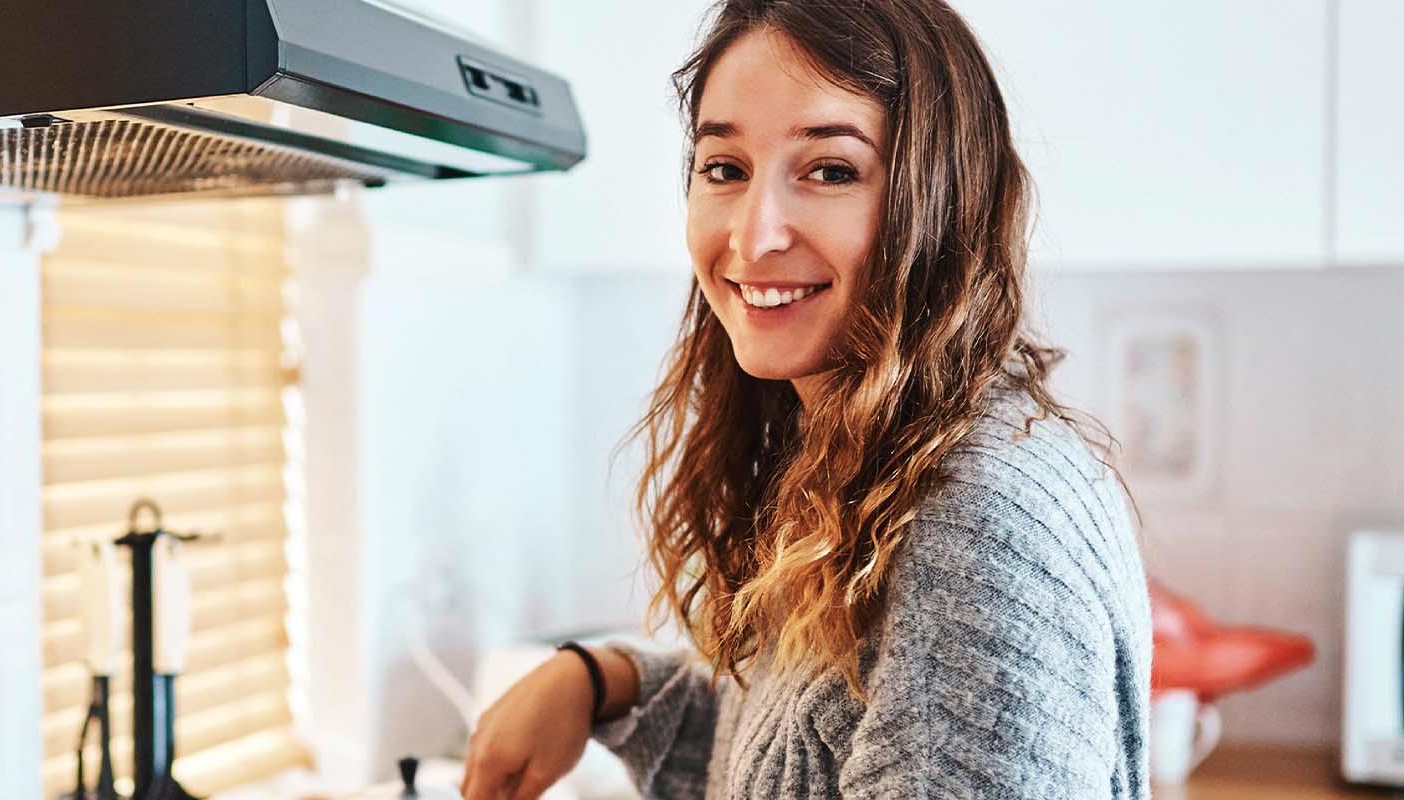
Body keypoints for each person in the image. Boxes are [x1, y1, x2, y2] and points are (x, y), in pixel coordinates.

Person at [461, 1, 1150, 797]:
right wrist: (601, 680)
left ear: (944, 196)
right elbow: (794, 748)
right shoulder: (871, 457)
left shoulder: (972, 528)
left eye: (830, 171)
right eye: (725, 169)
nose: (754, 238)